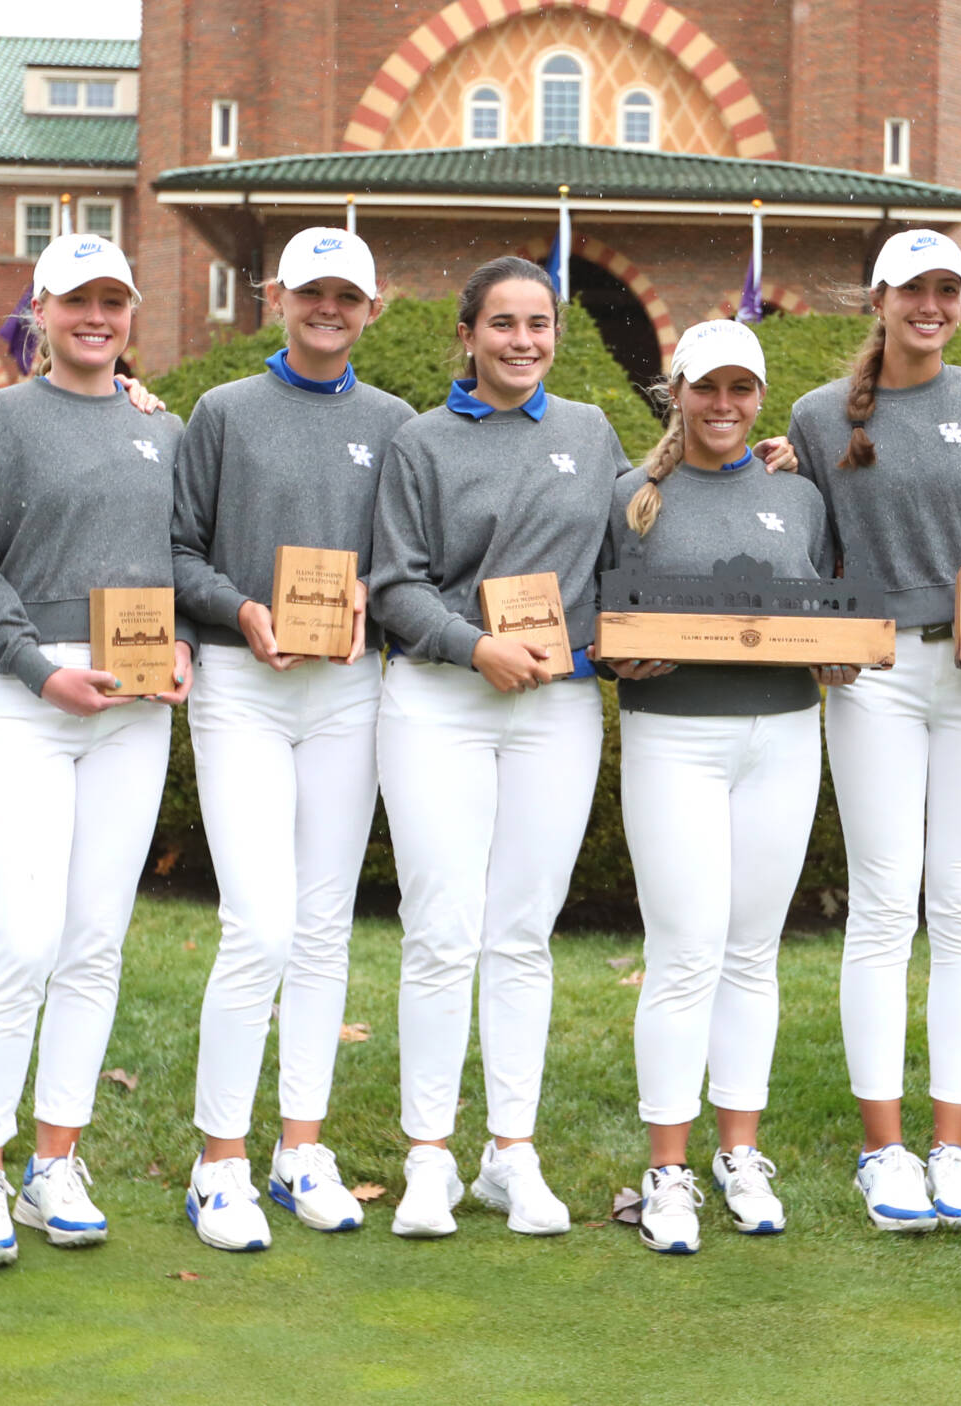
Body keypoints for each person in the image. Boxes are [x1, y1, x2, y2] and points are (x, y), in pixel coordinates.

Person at [784, 229, 961, 1233]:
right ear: (879, 298)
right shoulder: (817, 416)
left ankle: (952, 1147)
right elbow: (800, 537)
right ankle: (882, 1148)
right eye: (913, 290)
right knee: (885, 903)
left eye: (948, 290)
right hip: (878, 677)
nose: (930, 306)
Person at [367, 255, 629, 1238]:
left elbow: (627, 551)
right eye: (504, 324)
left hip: (555, 708)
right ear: (468, 335)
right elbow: (394, 583)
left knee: (522, 933)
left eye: (539, 324)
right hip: (442, 698)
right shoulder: (419, 440)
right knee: (441, 928)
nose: (523, 341)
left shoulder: (590, 432)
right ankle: (427, 1155)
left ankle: (509, 1152)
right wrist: (473, 645)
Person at [0, 233, 189, 1266]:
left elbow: (183, 553)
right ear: (36, 308)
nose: (95, 315)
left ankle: (56, 1162)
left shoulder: (164, 426)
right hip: (26, 698)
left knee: (94, 941)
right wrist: (39, 669)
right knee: (21, 940)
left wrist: (181, 637)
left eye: (113, 299)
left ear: (130, 314)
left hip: (135, 707)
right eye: (75, 299)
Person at [170, 228, 412, 1249]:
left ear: (372, 307)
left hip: (347, 691)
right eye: (311, 291)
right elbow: (176, 547)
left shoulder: (397, 424)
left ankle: (298, 1147)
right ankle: (216, 1157)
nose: (328, 308)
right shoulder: (222, 411)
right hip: (243, 683)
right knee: (258, 922)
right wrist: (238, 612)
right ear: (277, 297)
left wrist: (370, 590)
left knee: (322, 926)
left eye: (346, 296)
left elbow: (408, 559)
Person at [600, 318, 846, 1254]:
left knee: (752, 952)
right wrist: (621, 660)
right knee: (685, 954)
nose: (724, 407)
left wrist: (837, 657)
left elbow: (825, 608)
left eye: (742, 390)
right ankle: (666, 1168)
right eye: (707, 389)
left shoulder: (799, 495)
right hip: (674, 742)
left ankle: (739, 1154)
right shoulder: (633, 495)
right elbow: (599, 619)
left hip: (783, 735)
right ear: (678, 392)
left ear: (760, 398)